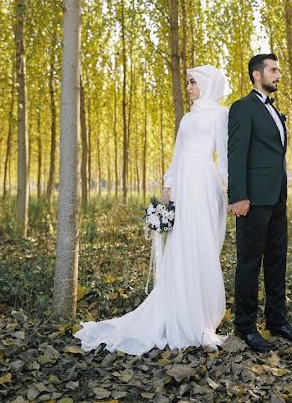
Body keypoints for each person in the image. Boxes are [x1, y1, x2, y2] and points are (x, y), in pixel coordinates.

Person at [75, 65, 229, 355]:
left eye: (193, 82)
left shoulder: (221, 115)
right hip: (183, 184)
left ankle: (201, 318)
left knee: (202, 246)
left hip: (205, 185)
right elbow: (178, 154)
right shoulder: (187, 118)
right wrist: (166, 189)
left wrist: (231, 190)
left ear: (207, 85)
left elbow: (224, 156)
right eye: (187, 82)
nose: (188, 87)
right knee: (181, 245)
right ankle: (181, 311)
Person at [227, 53, 292, 352]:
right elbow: (236, 153)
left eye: (278, 70)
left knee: (276, 258)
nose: (278, 75)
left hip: (277, 196)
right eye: (273, 70)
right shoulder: (242, 108)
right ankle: (245, 327)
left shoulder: (275, 111)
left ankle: (276, 319)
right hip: (253, 200)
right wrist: (238, 196)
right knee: (249, 262)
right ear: (257, 75)